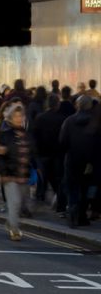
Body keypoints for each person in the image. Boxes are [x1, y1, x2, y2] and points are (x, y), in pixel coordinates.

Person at [0, 102, 31, 241]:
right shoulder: (5, 135)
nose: (18, 119)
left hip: (23, 175)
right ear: (10, 118)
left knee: (19, 203)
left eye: (21, 116)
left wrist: (37, 169)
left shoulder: (27, 135)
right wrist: (3, 173)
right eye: (16, 116)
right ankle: (15, 230)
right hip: (10, 175)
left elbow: (33, 153)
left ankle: (11, 222)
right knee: (14, 202)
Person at [59, 95, 96, 227]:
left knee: (72, 187)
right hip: (89, 162)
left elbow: (62, 142)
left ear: (77, 105)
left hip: (72, 159)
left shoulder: (69, 121)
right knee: (85, 189)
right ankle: (82, 215)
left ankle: (73, 213)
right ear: (90, 106)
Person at [30, 94, 68, 214]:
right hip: (57, 153)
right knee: (57, 178)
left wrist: (35, 152)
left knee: (43, 177)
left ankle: (39, 199)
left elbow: (34, 136)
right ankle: (59, 203)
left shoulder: (40, 117)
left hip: (42, 153)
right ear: (57, 104)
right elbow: (63, 139)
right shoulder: (62, 119)